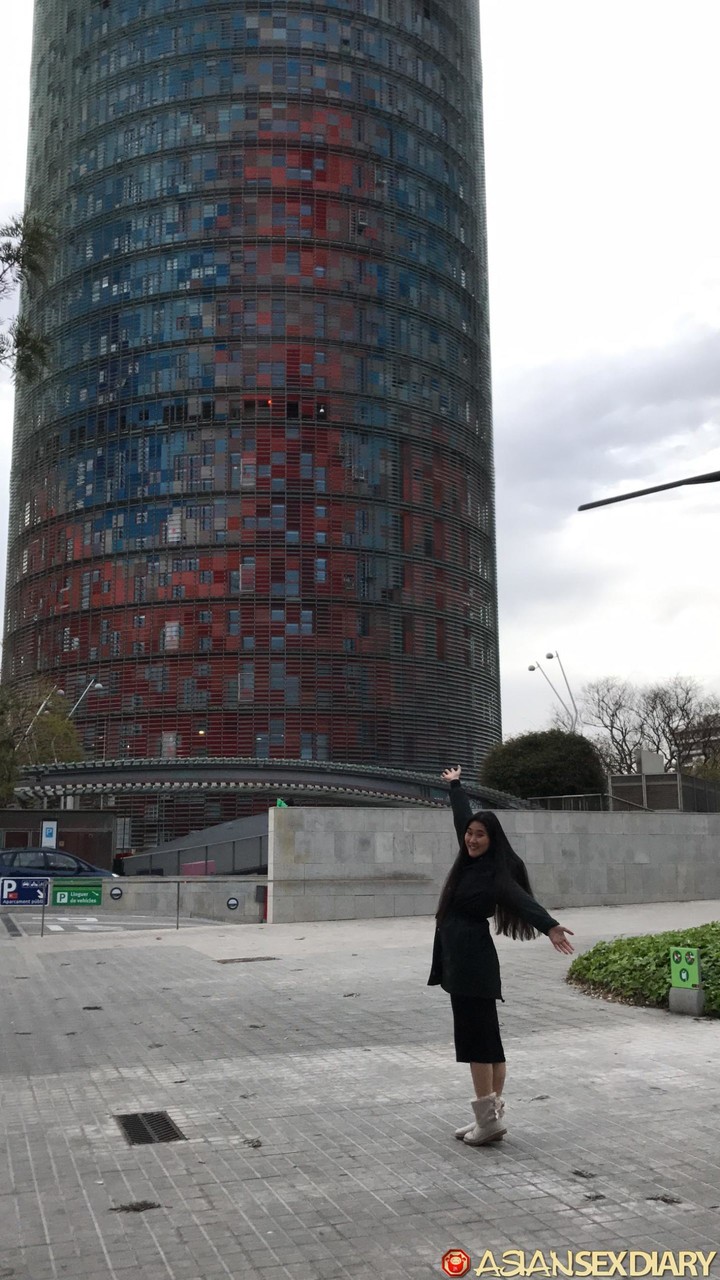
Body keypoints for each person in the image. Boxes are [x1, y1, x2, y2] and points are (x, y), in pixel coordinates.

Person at [428, 765, 574, 1147]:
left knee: (477, 1042)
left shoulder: (495, 875)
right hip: (466, 960)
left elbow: (522, 901)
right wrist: (456, 787)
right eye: (470, 834)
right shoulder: (470, 860)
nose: (472, 839)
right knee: (488, 1041)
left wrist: (550, 926)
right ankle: (488, 1117)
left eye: (480, 835)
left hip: (471, 963)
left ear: (493, 840)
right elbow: (463, 817)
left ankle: (487, 1121)